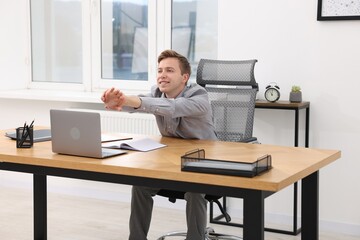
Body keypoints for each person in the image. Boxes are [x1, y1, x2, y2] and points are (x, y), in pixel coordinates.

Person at [101, 49, 217, 240]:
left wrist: (131, 100)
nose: (162, 75)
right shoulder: (156, 93)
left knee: (195, 191)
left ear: (184, 77)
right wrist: (118, 101)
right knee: (140, 185)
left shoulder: (200, 96)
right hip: (172, 163)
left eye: (169, 70)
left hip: (204, 164)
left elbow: (172, 107)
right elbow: (138, 103)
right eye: (160, 70)